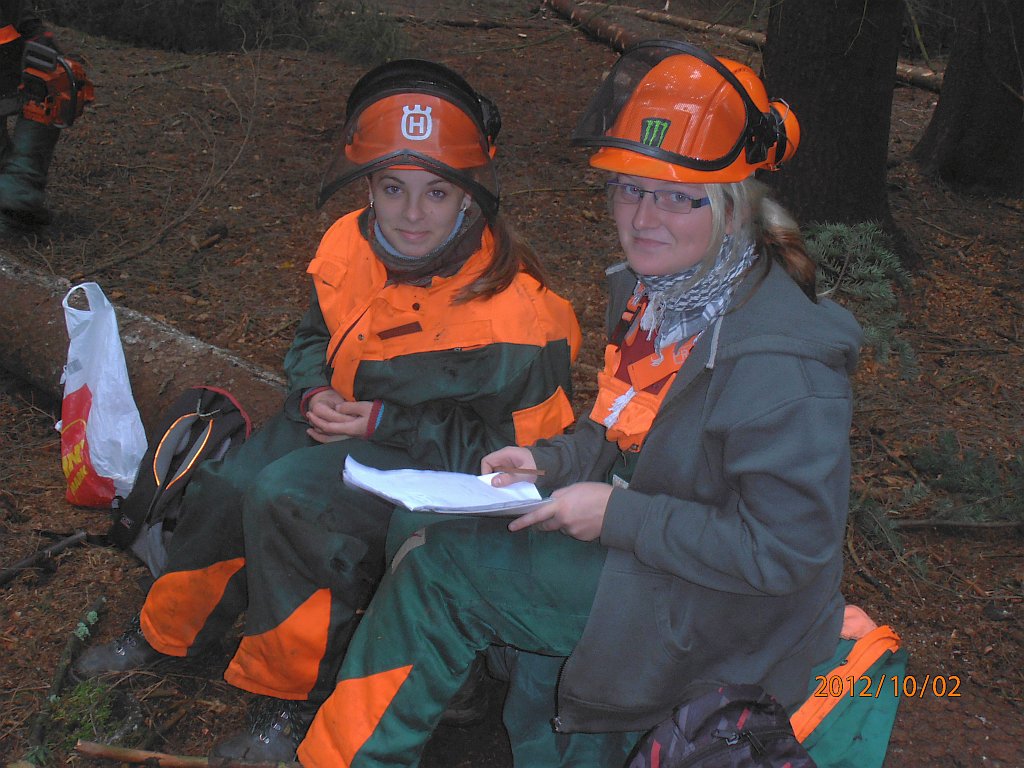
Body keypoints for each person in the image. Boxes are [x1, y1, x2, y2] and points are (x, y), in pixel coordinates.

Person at [297, 40, 863, 768]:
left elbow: (782, 553)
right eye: (630, 189)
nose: (644, 217)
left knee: (445, 568)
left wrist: (617, 515)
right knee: (426, 524)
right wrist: (548, 461)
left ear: (732, 210)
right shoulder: (660, 298)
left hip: (725, 611)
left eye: (678, 197)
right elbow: (619, 430)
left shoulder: (780, 363)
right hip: (654, 555)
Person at [73, 59, 581, 761]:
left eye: (436, 192)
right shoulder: (348, 240)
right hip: (335, 421)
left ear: (471, 194)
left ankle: (285, 699)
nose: (411, 214)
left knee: (292, 503)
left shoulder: (521, 315)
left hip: (425, 463)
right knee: (228, 485)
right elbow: (313, 338)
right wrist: (311, 391)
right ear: (367, 185)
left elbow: (530, 459)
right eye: (393, 188)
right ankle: (165, 631)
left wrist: (384, 423)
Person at [0, 1, 88, 224]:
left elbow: (20, 17)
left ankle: (19, 188)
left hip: (9, 69)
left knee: (53, 86)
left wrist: (39, 37)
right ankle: (18, 187)